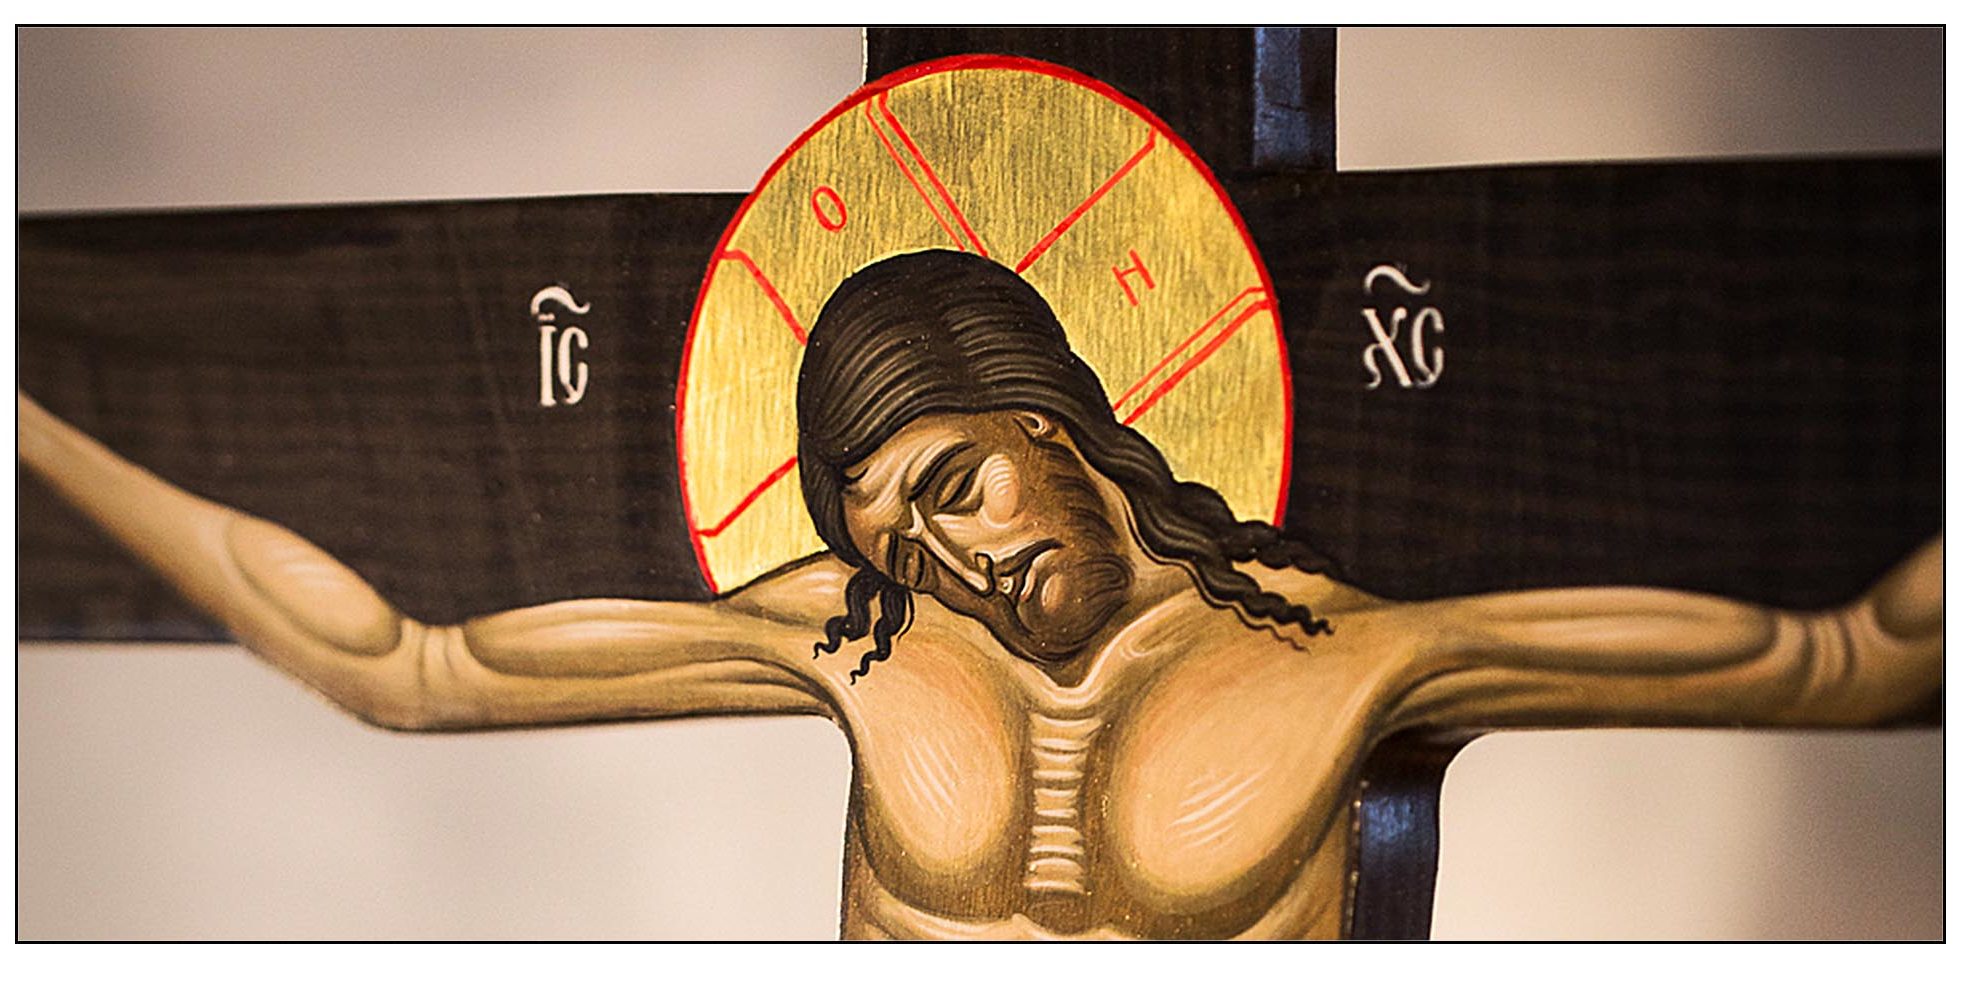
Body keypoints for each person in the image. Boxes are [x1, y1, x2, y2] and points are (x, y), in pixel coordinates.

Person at [17, 249, 1941, 940]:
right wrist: (35, 423)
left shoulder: (1358, 653)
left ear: (1049, 421)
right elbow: (406, 667)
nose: (947, 562)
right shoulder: (851, 641)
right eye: (891, 540)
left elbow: (1855, 660)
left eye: (952, 485)